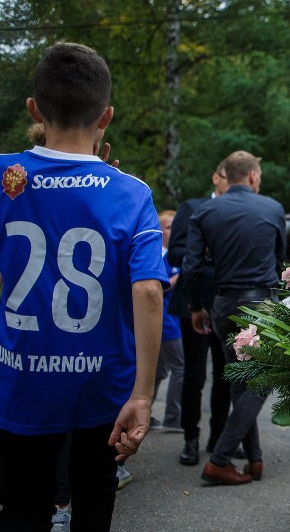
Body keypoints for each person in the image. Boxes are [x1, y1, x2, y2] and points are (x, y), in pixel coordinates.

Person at [0, 42, 168, 530]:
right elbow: (148, 291)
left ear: (33, 109)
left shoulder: (5, 176)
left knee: (21, 507)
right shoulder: (131, 193)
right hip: (103, 390)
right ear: (106, 117)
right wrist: (142, 395)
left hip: (20, 382)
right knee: (94, 503)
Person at [183, 150, 287, 486]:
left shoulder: (204, 211)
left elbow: (192, 267)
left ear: (226, 176)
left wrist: (196, 306)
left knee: (240, 382)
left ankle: (255, 461)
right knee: (260, 382)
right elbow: (279, 263)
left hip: (223, 304)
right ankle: (220, 459)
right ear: (254, 177)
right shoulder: (271, 208)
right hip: (262, 302)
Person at [168, 160, 234, 466]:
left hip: (227, 302)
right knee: (194, 374)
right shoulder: (191, 207)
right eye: (224, 178)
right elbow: (177, 252)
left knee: (225, 374)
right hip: (193, 301)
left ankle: (218, 437)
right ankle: (190, 438)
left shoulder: (239, 211)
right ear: (215, 178)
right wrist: (204, 248)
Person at [153, 209, 184, 432]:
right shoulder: (158, 256)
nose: (173, 231)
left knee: (160, 370)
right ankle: (172, 419)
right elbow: (157, 288)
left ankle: (147, 412)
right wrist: (180, 277)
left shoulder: (174, 254)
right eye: (169, 227)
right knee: (179, 368)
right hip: (165, 324)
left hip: (171, 321)